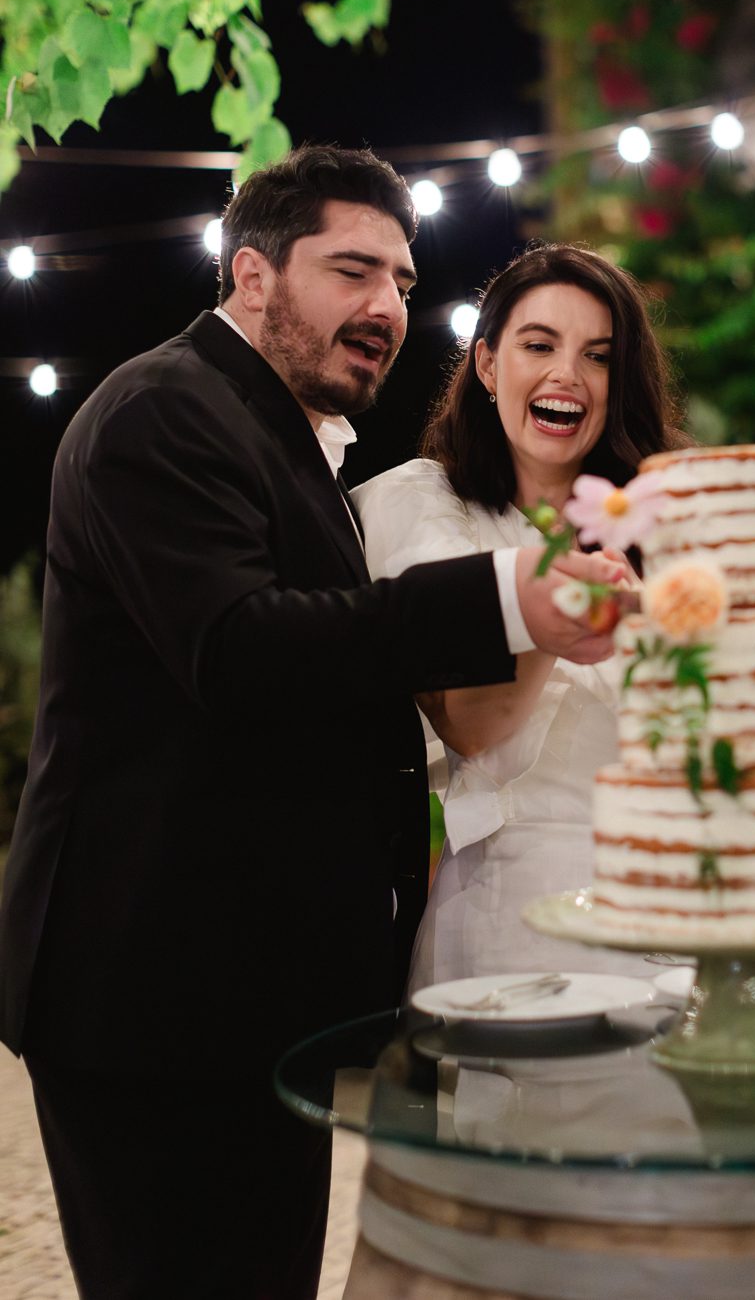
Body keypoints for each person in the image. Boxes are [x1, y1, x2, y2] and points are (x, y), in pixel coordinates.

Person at [0, 148, 624, 1300]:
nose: (386, 305)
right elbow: (240, 651)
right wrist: (508, 599)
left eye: (401, 280)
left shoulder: (284, 440)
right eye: (352, 271)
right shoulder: (162, 410)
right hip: (152, 1000)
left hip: (245, 1001)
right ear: (251, 275)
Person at [354, 243, 686, 990]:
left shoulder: (664, 525)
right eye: (539, 345)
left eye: (598, 356)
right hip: (516, 924)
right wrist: (561, 600)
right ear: (487, 364)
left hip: (682, 915)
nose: (567, 374)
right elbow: (471, 728)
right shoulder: (421, 503)